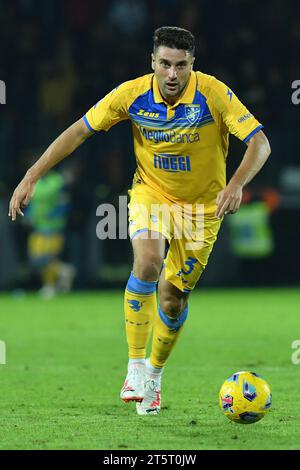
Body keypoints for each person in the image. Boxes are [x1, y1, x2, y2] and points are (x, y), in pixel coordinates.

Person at [8, 26, 271, 415]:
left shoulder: (214, 94)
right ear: (153, 62)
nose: (171, 74)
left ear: (191, 65)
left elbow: (260, 143)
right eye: (164, 64)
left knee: (173, 296)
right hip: (152, 193)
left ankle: (154, 375)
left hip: (203, 209)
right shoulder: (131, 95)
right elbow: (80, 131)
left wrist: (235, 185)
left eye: (180, 66)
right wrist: (32, 175)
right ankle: (134, 367)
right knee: (147, 262)